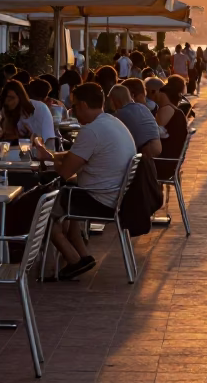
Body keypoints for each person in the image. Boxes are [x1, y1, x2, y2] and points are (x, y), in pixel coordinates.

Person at [33, 82, 136, 279]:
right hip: (116, 196)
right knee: (66, 195)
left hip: (99, 200)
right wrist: (51, 155)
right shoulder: (112, 122)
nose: (73, 112)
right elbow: (76, 155)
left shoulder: (91, 131)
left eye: (74, 107)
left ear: (84, 105)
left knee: (40, 206)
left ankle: (73, 259)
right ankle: (83, 256)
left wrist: (51, 159)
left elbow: (64, 172)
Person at [110, 81, 163, 156]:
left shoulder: (119, 115)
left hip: (145, 151)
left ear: (114, 100)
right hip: (158, 146)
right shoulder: (141, 107)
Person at [152, 81, 190, 179]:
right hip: (173, 162)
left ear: (160, 92)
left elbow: (154, 135)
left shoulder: (166, 110)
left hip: (165, 163)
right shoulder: (174, 110)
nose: (152, 96)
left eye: (152, 92)